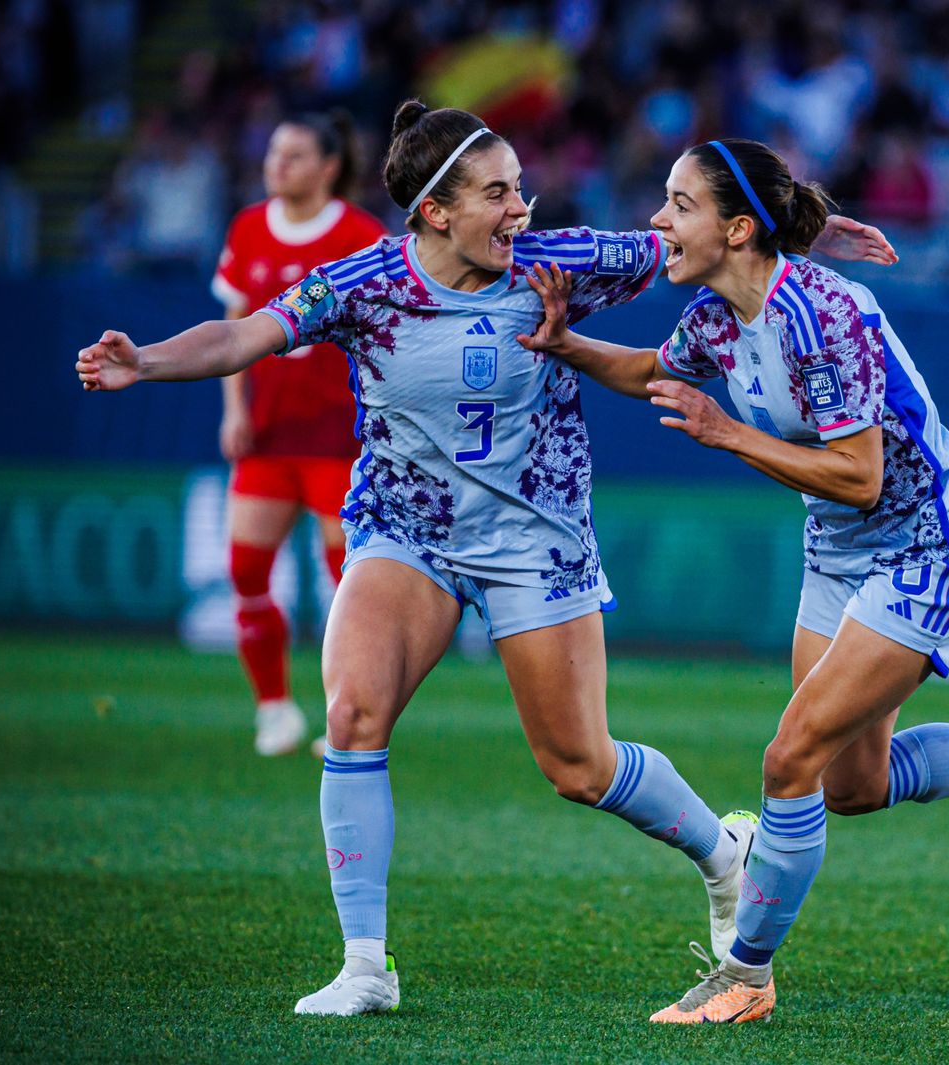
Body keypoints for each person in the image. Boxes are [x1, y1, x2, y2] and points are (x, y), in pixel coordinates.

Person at [76, 103, 895, 1017]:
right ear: (435, 212)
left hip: (533, 542)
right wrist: (143, 360)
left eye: (521, 189)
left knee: (578, 768)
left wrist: (801, 237)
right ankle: (364, 966)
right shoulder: (363, 284)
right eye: (499, 193)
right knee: (350, 715)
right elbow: (243, 336)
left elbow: (703, 246)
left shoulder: (561, 263)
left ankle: (719, 853)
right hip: (405, 529)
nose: (521, 209)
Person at [517, 138, 949, 1024]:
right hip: (839, 553)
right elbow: (655, 372)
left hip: (927, 549)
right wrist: (565, 344)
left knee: (789, 757)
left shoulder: (822, 314)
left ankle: (746, 977)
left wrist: (729, 433)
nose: (657, 220)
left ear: (735, 228)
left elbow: (861, 474)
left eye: (678, 204)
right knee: (852, 787)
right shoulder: (719, 316)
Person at [211, 111, 388, 757]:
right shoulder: (249, 227)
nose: (275, 164)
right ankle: (275, 709)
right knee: (246, 568)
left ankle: (350, 710)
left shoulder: (360, 235)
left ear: (328, 166)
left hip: (339, 439)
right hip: (268, 437)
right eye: (272, 152)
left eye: (292, 154)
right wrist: (234, 409)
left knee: (350, 581)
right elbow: (232, 327)